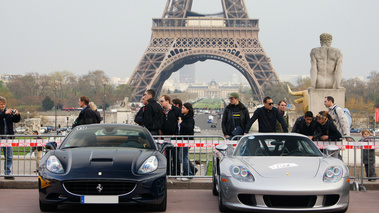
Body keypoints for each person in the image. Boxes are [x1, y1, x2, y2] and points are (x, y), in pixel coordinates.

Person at [159, 94, 181, 176]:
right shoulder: (160, 111)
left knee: (175, 156)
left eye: (162, 101)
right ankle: (168, 172)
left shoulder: (176, 110)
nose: (160, 103)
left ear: (167, 101)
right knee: (166, 156)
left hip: (174, 137)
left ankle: (177, 173)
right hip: (164, 137)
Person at [0, 96, 21, 180]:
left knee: (9, 156)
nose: (3, 106)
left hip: (8, 137)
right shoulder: (4, 113)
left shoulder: (7, 112)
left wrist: (17, 115)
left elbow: (16, 120)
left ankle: (7, 173)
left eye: (4, 104)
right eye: (1, 104)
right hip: (0, 137)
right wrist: (4, 114)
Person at [178, 102, 195, 181]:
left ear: (188, 110)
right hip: (183, 139)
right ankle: (190, 171)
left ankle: (188, 174)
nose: (182, 109)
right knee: (183, 156)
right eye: (182, 107)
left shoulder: (190, 118)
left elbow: (189, 129)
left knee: (183, 157)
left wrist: (181, 123)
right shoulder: (183, 117)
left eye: (184, 108)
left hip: (187, 140)